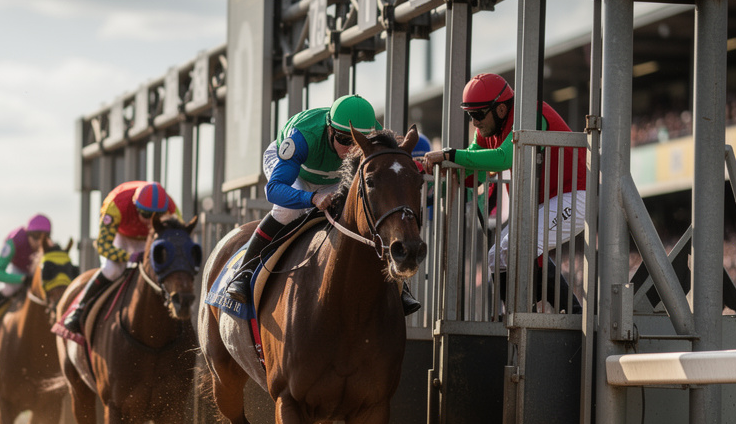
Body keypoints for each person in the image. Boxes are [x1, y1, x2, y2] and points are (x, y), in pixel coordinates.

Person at [222, 94, 422, 316]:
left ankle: (400, 286)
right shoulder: (302, 138)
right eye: (344, 140)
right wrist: (311, 198)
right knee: (288, 211)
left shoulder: (373, 135)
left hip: (333, 177)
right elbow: (274, 190)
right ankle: (245, 272)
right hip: (295, 170)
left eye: (357, 143)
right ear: (329, 130)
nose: (350, 150)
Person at [420, 73, 587, 312]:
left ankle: (549, 312)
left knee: (514, 247)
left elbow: (504, 158)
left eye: (478, 114)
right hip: (542, 202)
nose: (474, 122)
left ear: (500, 109)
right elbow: (472, 174)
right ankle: (521, 314)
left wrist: (449, 155)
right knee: (496, 256)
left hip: (575, 195)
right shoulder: (487, 131)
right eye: (469, 115)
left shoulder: (529, 113)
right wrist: (434, 184)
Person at [61, 180, 178, 335]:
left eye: (157, 215)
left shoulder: (171, 208)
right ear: (135, 206)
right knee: (112, 270)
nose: (150, 220)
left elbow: (179, 241)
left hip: (153, 238)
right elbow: (103, 245)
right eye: (146, 214)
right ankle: (79, 309)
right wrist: (129, 257)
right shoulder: (115, 204)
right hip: (122, 236)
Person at [0, 213, 51, 344]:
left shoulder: (49, 246)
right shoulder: (14, 241)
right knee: (9, 289)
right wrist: (22, 279)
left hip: (37, 274)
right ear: (28, 234)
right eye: (36, 236)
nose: (39, 243)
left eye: (45, 237)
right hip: (18, 272)